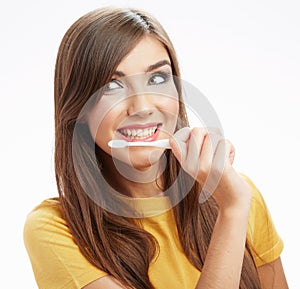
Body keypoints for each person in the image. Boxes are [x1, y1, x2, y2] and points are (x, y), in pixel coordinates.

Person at [23, 7, 288, 289]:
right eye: (112, 85)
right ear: (80, 110)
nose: (143, 107)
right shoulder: (53, 229)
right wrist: (233, 212)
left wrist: (233, 203)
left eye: (157, 79)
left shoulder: (237, 192)